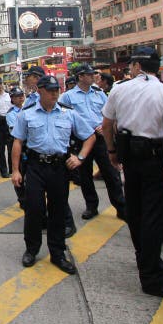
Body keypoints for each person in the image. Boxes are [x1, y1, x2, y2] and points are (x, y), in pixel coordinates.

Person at [101, 47, 163, 301]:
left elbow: (107, 124)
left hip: (130, 157)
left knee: (137, 212)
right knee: (153, 216)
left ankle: (148, 262)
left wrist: (111, 151)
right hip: (156, 158)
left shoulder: (120, 89)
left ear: (138, 66)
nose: (130, 68)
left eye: (131, 65)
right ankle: (151, 276)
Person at [10, 76, 96, 274]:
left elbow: (90, 136)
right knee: (34, 209)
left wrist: (80, 157)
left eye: (57, 90)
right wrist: (15, 170)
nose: (55, 94)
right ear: (40, 91)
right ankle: (31, 249)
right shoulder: (27, 114)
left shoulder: (68, 114)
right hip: (35, 167)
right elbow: (18, 142)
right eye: (50, 90)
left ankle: (57, 253)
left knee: (58, 211)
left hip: (59, 168)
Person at [60, 65, 126, 221]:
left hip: (101, 138)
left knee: (111, 173)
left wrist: (104, 126)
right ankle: (91, 206)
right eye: (90, 74)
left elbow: (109, 112)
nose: (94, 77)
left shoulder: (99, 93)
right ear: (81, 76)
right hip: (81, 140)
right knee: (85, 175)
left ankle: (121, 207)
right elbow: (63, 117)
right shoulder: (68, 96)